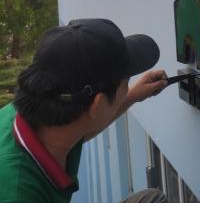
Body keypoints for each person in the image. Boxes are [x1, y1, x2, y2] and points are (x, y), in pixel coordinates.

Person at [0, 19, 171, 203]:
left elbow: (86, 122)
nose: (128, 87)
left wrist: (134, 95)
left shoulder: (39, 111)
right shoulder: (18, 192)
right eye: (126, 81)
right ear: (97, 104)